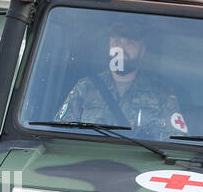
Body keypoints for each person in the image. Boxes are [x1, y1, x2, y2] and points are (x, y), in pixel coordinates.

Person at [54, 24, 186, 139]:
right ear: (109, 45)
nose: (122, 48)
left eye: (130, 42)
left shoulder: (161, 95)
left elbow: (177, 143)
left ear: (143, 50)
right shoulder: (85, 87)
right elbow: (59, 133)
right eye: (116, 41)